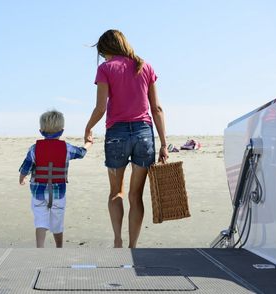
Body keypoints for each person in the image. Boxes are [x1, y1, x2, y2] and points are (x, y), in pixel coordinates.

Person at [84, 29, 169, 248]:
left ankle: (117, 241)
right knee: (135, 195)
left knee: (116, 192)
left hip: (117, 135)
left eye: (103, 53)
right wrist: (164, 144)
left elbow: (100, 108)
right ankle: (133, 246)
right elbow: (156, 108)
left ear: (108, 49)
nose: (104, 57)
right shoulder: (145, 66)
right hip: (144, 134)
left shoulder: (105, 69)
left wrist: (88, 127)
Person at [19, 110, 92, 248]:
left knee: (40, 221)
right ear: (62, 131)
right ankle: (59, 248)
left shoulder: (34, 149)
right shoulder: (66, 148)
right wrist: (88, 143)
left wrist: (21, 178)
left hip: (38, 193)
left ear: (41, 131)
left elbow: (26, 167)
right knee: (57, 221)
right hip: (58, 193)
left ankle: (40, 248)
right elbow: (81, 153)